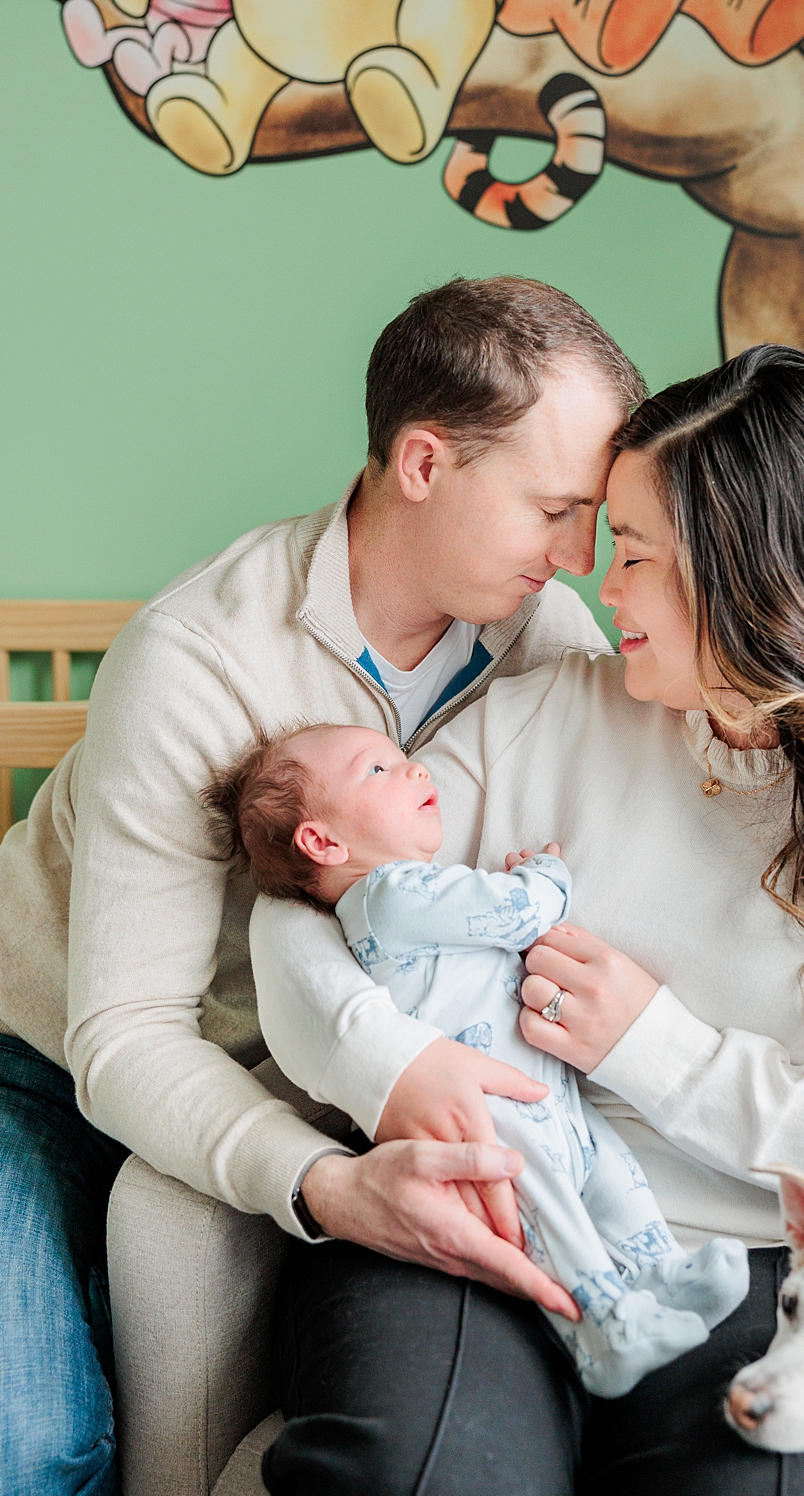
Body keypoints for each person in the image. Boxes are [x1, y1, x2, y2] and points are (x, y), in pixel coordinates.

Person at [246, 343, 804, 1493]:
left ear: (746, 576)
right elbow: (304, 913)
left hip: (746, 1263)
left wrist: (656, 1049)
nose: (598, 584)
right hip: (475, 1220)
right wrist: (390, 1063)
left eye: (637, 554)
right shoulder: (547, 717)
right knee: (420, 1473)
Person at [0, 274, 638, 1494]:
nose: (582, 558)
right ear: (423, 462)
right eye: (554, 509)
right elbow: (124, 1033)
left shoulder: (552, 642)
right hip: (37, 1056)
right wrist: (328, 1185)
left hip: (294, 1064)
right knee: (30, 1445)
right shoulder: (196, 657)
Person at [208, 724, 751, 1397]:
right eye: (377, 770)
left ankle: (663, 1273)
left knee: (606, 1172)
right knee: (552, 1212)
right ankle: (602, 1324)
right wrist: (544, 871)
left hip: (540, 1094)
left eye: (404, 759)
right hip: (490, 1115)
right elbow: (519, 912)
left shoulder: (411, 895)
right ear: (323, 843)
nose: (416, 773)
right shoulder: (386, 898)